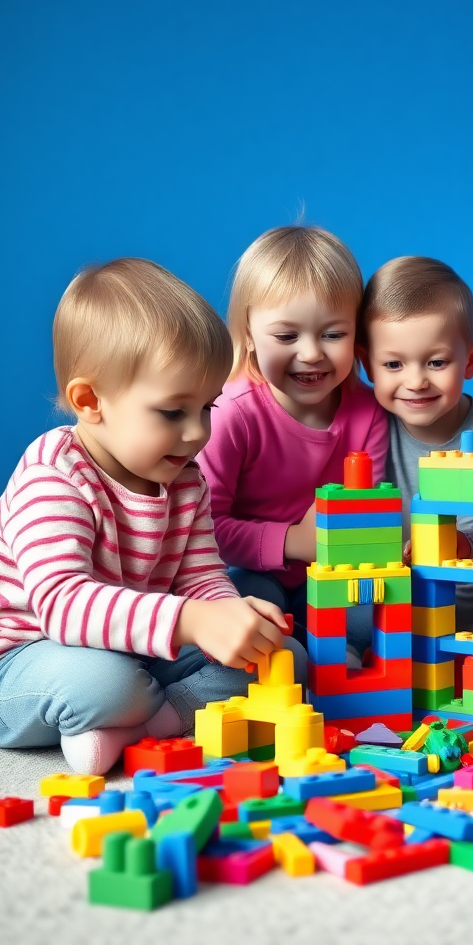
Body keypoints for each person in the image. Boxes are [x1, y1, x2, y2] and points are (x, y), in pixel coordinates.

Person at [0, 259, 290, 774]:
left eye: (207, 408)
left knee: (279, 658)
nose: (197, 434)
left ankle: (145, 727)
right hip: (22, 660)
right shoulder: (55, 476)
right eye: (172, 412)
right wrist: (192, 620)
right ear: (90, 400)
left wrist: (227, 619)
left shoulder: (185, 478)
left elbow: (202, 576)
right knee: (108, 684)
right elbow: (62, 605)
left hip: (136, 649)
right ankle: (138, 710)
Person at [197, 227, 388, 661]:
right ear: (247, 332)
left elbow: (366, 508)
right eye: (287, 337)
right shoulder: (232, 413)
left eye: (332, 334)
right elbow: (205, 530)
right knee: (260, 614)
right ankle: (305, 653)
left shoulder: (366, 410)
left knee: (372, 619)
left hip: (332, 570)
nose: (311, 354)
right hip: (247, 569)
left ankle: (331, 657)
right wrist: (293, 542)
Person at [359, 255, 473, 632]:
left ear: (471, 360)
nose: (415, 381)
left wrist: (462, 543)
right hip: (386, 621)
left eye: (435, 362)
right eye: (394, 365)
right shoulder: (366, 426)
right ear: (367, 364)